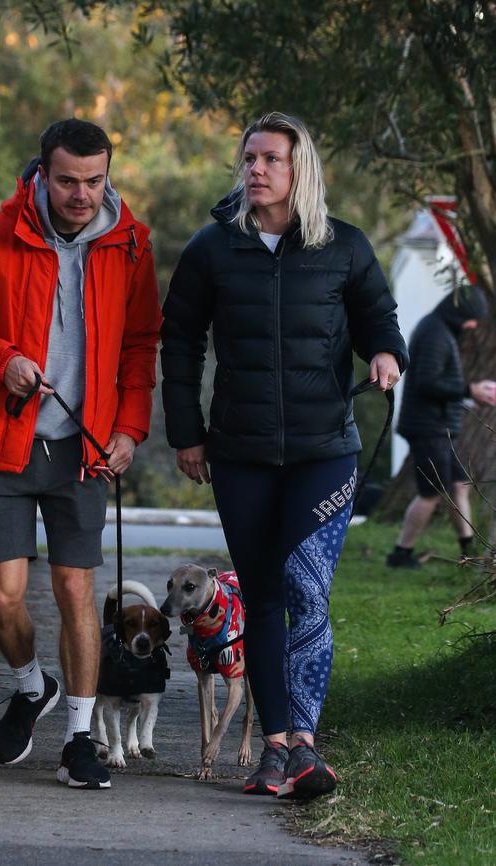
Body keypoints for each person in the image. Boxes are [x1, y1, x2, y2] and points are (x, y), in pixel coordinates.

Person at [160, 111, 408, 800]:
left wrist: (387, 351)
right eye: (249, 158)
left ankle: (305, 742)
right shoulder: (213, 249)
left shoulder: (345, 247)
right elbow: (179, 341)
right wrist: (187, 430)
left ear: (301, 171)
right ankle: (274, 749)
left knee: (306, 589)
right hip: (238, 452)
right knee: (262, 596)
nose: (257, 169)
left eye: (271, 158)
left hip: (324, 451)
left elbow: (377, 315)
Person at [0, 119, 161, 790]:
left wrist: (129, 429)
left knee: (75, 590)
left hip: (83, 448)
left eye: (94, 181)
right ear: (42, 173)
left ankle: (81, 738)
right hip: (1, 442)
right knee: (2, 600)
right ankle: (33, 686)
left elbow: (142, 343)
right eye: (67, 181)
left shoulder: (131, 245)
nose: (81, 195)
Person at [387, 286, 496, 568]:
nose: (473, 326)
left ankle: (468, 552)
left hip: (439, 426)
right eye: (472, 319)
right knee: (431, 492)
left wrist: (471, 393)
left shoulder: (440, 330)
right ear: (460, 313)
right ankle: (401, 553)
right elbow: (427, 383)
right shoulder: (434, 333)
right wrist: (470, 390)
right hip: (428, 426)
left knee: (459, 485)